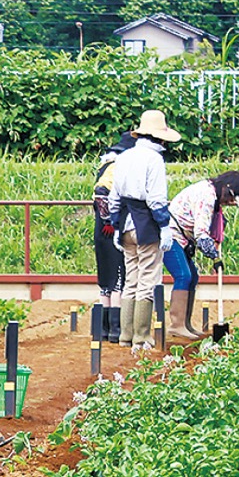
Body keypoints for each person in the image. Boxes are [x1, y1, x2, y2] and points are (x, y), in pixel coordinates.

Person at [108, 109, 182, 352]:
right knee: (148, 279)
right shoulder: (154, 160)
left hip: (125, 223)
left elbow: (114, 197)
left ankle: (125, 335)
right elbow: (156, 198)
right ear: (160, 137)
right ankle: (141, 337)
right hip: (146, 224)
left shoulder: (123, 157)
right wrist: (164, 226)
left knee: (131, 278)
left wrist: (116, 225)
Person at [164, 170, 239, 342]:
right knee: (183, 275)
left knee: (193, 276)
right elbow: (201, 234)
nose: (230, 202)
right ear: (226, 188)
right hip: (170, 234)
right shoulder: (207, 197)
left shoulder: (213, 197)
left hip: (182, 237)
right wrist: (215, 258)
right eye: (231, 197)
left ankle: (185, 324)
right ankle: (176, 325)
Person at [92, 133, 133, 343]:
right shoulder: (116, 167)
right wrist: (109, 220)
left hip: (101, 231)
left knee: (105, 280)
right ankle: (116, 329)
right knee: (118, 278)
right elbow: (101, 192)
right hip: (111, 229)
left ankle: (104, 329)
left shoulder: (105, 166)